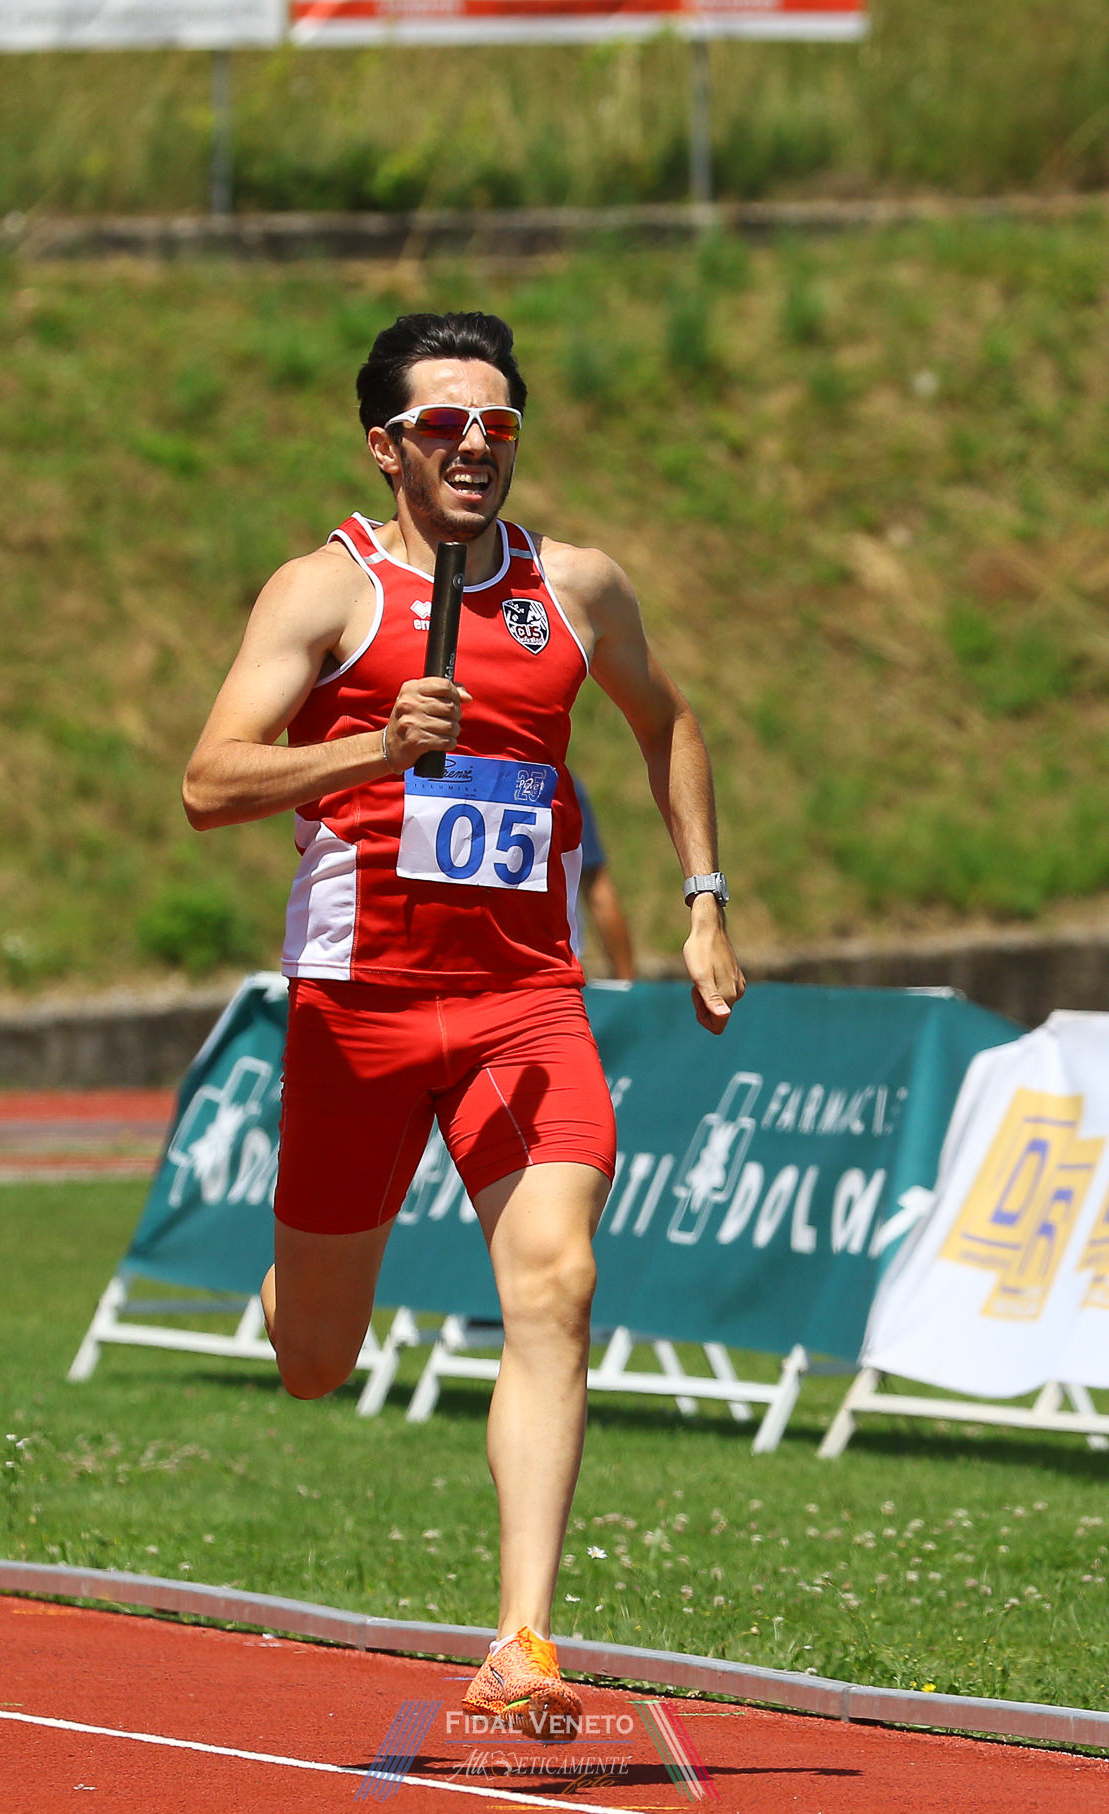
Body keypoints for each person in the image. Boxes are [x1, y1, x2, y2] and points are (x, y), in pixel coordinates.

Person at [181, 311, 744, 1737]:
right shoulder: (325, 592)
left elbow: (668, 723)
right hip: (361, 1007)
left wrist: (703, 900)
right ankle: (290, 1290)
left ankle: (523, 1639)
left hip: (522, 1001)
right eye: (445, 425)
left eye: (499, 423)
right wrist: (375, 745)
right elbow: (209, 782)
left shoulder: (578, 587)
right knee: (316, 1360)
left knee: (557, 1281)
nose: (477, 447)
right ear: (387, 447)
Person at [567, 773, 638, 980]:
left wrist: (626, 984)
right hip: (556, 971)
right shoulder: (561, 781)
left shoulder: (563, 784)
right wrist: (626, 985)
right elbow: (598, 892)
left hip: (555, 969)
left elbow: (597, 890)